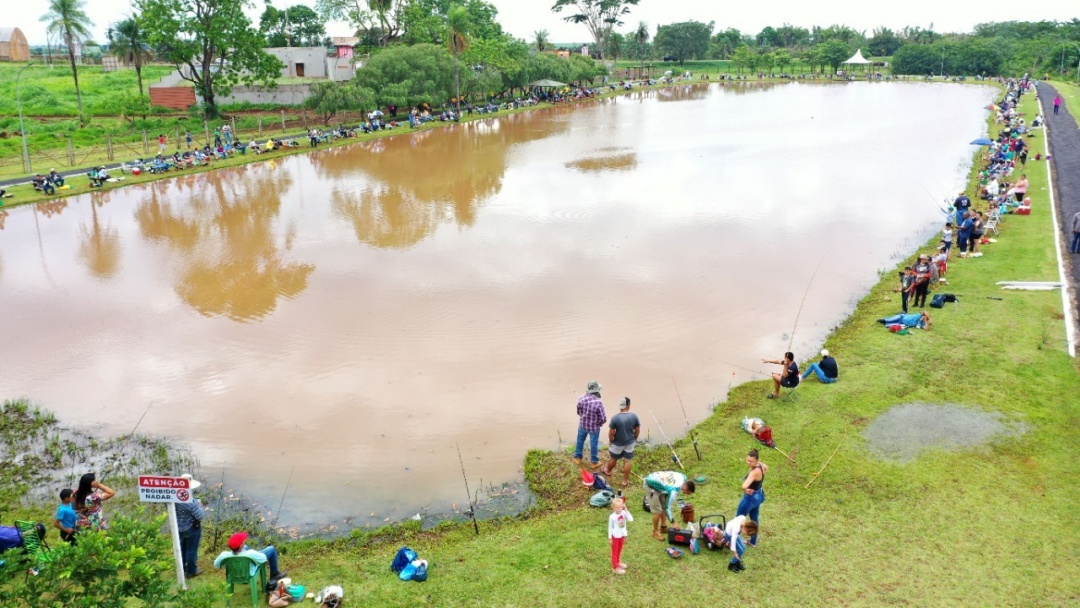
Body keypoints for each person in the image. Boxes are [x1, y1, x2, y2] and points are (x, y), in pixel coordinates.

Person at [643, 470, 695, 541]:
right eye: (688, 493)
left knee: (663, 504)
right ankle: (655, 532)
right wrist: (673, 523)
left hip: (660, 484)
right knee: (657, 511)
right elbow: (668, 508)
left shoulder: (683, 477)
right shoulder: (673, 490)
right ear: (685, 488)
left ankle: (663, 527)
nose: (687, 494)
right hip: (651, 485)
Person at [214, 531, 286, 581]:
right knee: (272, 549)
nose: (243, 541)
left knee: (246, 547)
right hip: (249, 573)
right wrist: (256, 553)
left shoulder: (224, 555)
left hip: (234, 574)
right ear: (241, 545)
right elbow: (263, 559)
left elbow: (216, 565)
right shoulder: (250, 554)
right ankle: (274, 574)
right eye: (242, 541)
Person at [603, 397, 640, 488]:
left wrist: (611, 440)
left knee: (613, 458)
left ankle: (607, 471)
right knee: (627, 461)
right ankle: (624, 481)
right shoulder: (634, 416)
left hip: (617, 443)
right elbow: (637, 429)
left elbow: (611, 432)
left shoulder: (615, 418)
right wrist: (634, 438)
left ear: (620, 406)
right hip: (630, 443)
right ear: (628, 405)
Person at [175, 474, 206, 578]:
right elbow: (200, 516)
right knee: (191, 549)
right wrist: (200, 506)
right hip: (191, 528)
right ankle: (191, 570)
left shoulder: (173, 497)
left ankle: (182, 567)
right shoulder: (189, 501)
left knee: (182, 548)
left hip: (178, 528)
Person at [736, 449, 768, 547]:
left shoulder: (754, 472)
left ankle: (731, 540)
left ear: (757, 461)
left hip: (750, 498)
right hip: (759, 494)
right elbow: (767, 468)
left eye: (751, 461)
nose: (749, 463)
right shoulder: (761, 466)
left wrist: (745, 489)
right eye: (748, 460)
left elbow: (744, 486)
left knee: (738, 519)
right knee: (754, 519)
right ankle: (753, 542)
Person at [574, 381, 607, 468]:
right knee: (594, 443)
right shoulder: (598, 402)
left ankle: (577, 458)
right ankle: (594, 462)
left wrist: (584, 418)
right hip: (594, 428)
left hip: (582, 425)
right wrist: (599, 424)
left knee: (580, 441)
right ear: (596, 391)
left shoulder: (581, 398)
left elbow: (579, 412)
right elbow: (603, 418)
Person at [607, 496, 633, 575]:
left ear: (623, 506)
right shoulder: (612, 517)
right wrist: (610, 538)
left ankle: (618, 562)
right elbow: (610, 528)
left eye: (620, 507)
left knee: (619, 549)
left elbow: (631, 519)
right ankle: (615, 567)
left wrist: (626, 509)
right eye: (617, 507)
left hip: (622, 535)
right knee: (614, 551)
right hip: (615, 536)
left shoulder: (623, 512)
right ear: (613, 507)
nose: (619, 509)